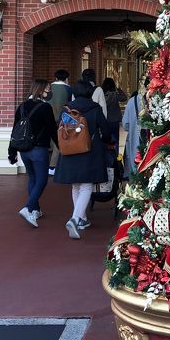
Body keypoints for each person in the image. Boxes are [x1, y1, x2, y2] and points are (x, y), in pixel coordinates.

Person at [53, 80, 112, 239]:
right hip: (89, 151)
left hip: (70, 151)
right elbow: (105, 131)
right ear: (89, 92)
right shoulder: (95, 108)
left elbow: (61, 129)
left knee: (76, 186)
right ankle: (76, 218)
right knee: (86, 186)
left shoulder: (67, 109)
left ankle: (82, 218)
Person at [8, 79, 58, 227]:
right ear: (41, 90)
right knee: (42, 180)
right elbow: (52, 130)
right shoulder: (45, 107)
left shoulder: (22, 106)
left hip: (24, 150)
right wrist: (60, 147)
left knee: (33, 179)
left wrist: (11, 151)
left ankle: (35, 210)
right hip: (39, 150)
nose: (49, 92)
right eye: (47, 89)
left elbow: (14, 130)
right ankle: (28, 207)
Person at [49, 69, 72, 175]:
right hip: (61, 118)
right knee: (58, 141)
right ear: (66, 78)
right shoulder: (68, 89)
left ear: (56, 77)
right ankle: (53, 166)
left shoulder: (48, 87)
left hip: (47, 117)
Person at [102, 74, 128, 155]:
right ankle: (115, 156)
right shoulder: (114, 95)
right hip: (115, 120)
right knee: (115, 140)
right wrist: (119, 90)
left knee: (106, 139)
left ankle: (107, 156)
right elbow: (124, 98)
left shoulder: (103, 95)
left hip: (105, 120)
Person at [122, 89, 144, 179]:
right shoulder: (157, 100)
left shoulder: (132, 102)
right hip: (153, 141)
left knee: (135, 167)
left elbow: (125, 124)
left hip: (135, 139)